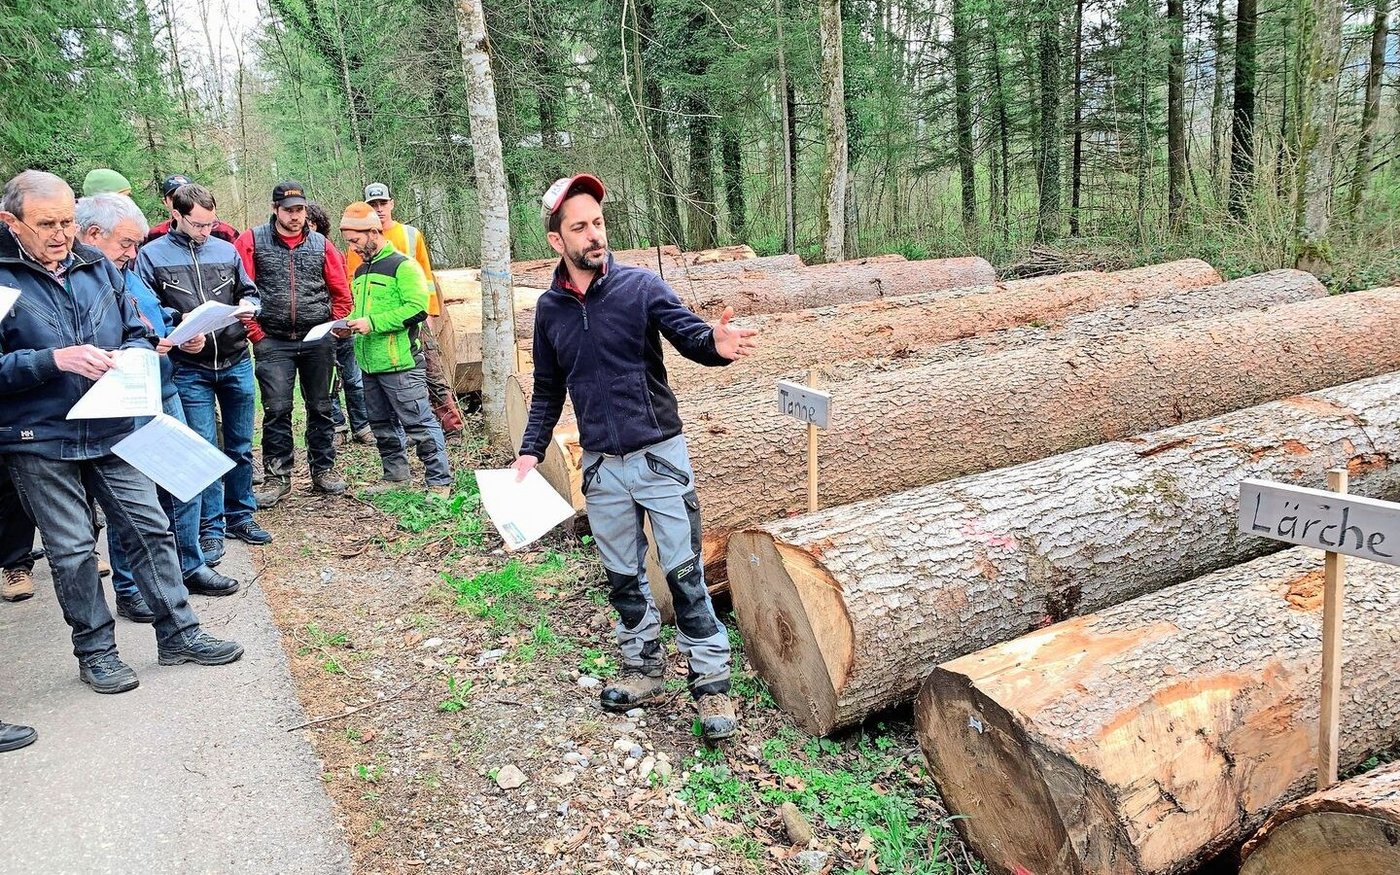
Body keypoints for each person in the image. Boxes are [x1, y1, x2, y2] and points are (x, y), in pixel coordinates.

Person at [513, 174, 757, 741]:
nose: (594, 235)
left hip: (660, 458)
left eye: (598, 223)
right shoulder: (549, 311)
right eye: (580, 227)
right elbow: (547, 389)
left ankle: (712, 683)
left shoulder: (641, 287)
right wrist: (529, 451)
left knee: (685, 573)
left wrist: (715, 345)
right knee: (623, 577)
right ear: (557, 241)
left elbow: (690, 336)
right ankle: (643, 668)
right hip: (601, 467)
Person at [0, 170, 244, 693]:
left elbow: (135, 330)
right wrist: (52, 360)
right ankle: (97, 654)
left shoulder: (95, 265)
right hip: (39, 438)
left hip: (113, 425)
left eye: (67, 222)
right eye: (46, 224)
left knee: (150, 527)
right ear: (11, 221)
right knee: (72, 551)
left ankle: (179, 634)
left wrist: (133, 355)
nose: (61, 234)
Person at [77, 193, 242, 613]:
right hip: (121, 398)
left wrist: (181, 333)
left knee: (183, 476)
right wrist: (145, 343)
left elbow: (150, 314)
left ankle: (189, 564)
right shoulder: (78, 279)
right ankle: (131, 588)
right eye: (125, 244)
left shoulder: (124, 270)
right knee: (133, 497)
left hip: (161, 386)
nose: (133, 253)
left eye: (135, 244)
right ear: (93, 234)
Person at [135, 183, 271, 564]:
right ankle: (210, 528)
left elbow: (251, 292)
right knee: (203, 449)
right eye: (198, 225)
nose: (205, 231)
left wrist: (249, 306)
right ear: (176, 215)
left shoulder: (226, 250)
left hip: (235, 358)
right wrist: (179, 326)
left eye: (210, 223)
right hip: (189, 367)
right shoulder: (151, 256)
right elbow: (147, 308)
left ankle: (241, 515)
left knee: (240, 444)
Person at [234, 182, 351, 506]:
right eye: (289, 210)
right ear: (275, 210)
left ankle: (323, 469)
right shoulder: (252, 241)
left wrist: (331, 328)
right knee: (276, 409)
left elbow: (341, 292)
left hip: (317, 340)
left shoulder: (322, 245)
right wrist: (256, 334)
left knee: (322, 406)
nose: (296, 216)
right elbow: (241, 293)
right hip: (273, 340)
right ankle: (277, 476)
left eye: (300, 209)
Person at [336, 203, 453, 495]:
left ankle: (440, 482)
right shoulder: (360, 271)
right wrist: (349, 323)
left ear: (373, 232)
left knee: (419, 423)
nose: (352, 247)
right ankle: (396, 477)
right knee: (381, 424)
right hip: (369, 362)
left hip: (401, 362)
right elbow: (363, 310)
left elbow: (417, 308)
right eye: (349, 242)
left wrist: (373, 323)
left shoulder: (404, 266)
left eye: (355, 240)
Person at [346, 183, 463, 443]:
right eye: (373, 205)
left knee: (432, 372)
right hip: (378, 326)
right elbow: (353, 283)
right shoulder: (358, 243)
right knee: (391, 382)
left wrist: (430, 312)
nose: (379, 209)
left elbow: (426, 275)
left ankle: (452, 426)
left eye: (382, 203)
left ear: (392, 204)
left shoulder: (410, 234)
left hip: (413, 317)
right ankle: (406, 433)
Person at [144, 174, 239, 245]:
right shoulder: (156, 234)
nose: (179, 201)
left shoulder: (225, 232)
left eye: (185, 196)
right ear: (165, 202)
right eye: (173, 197)